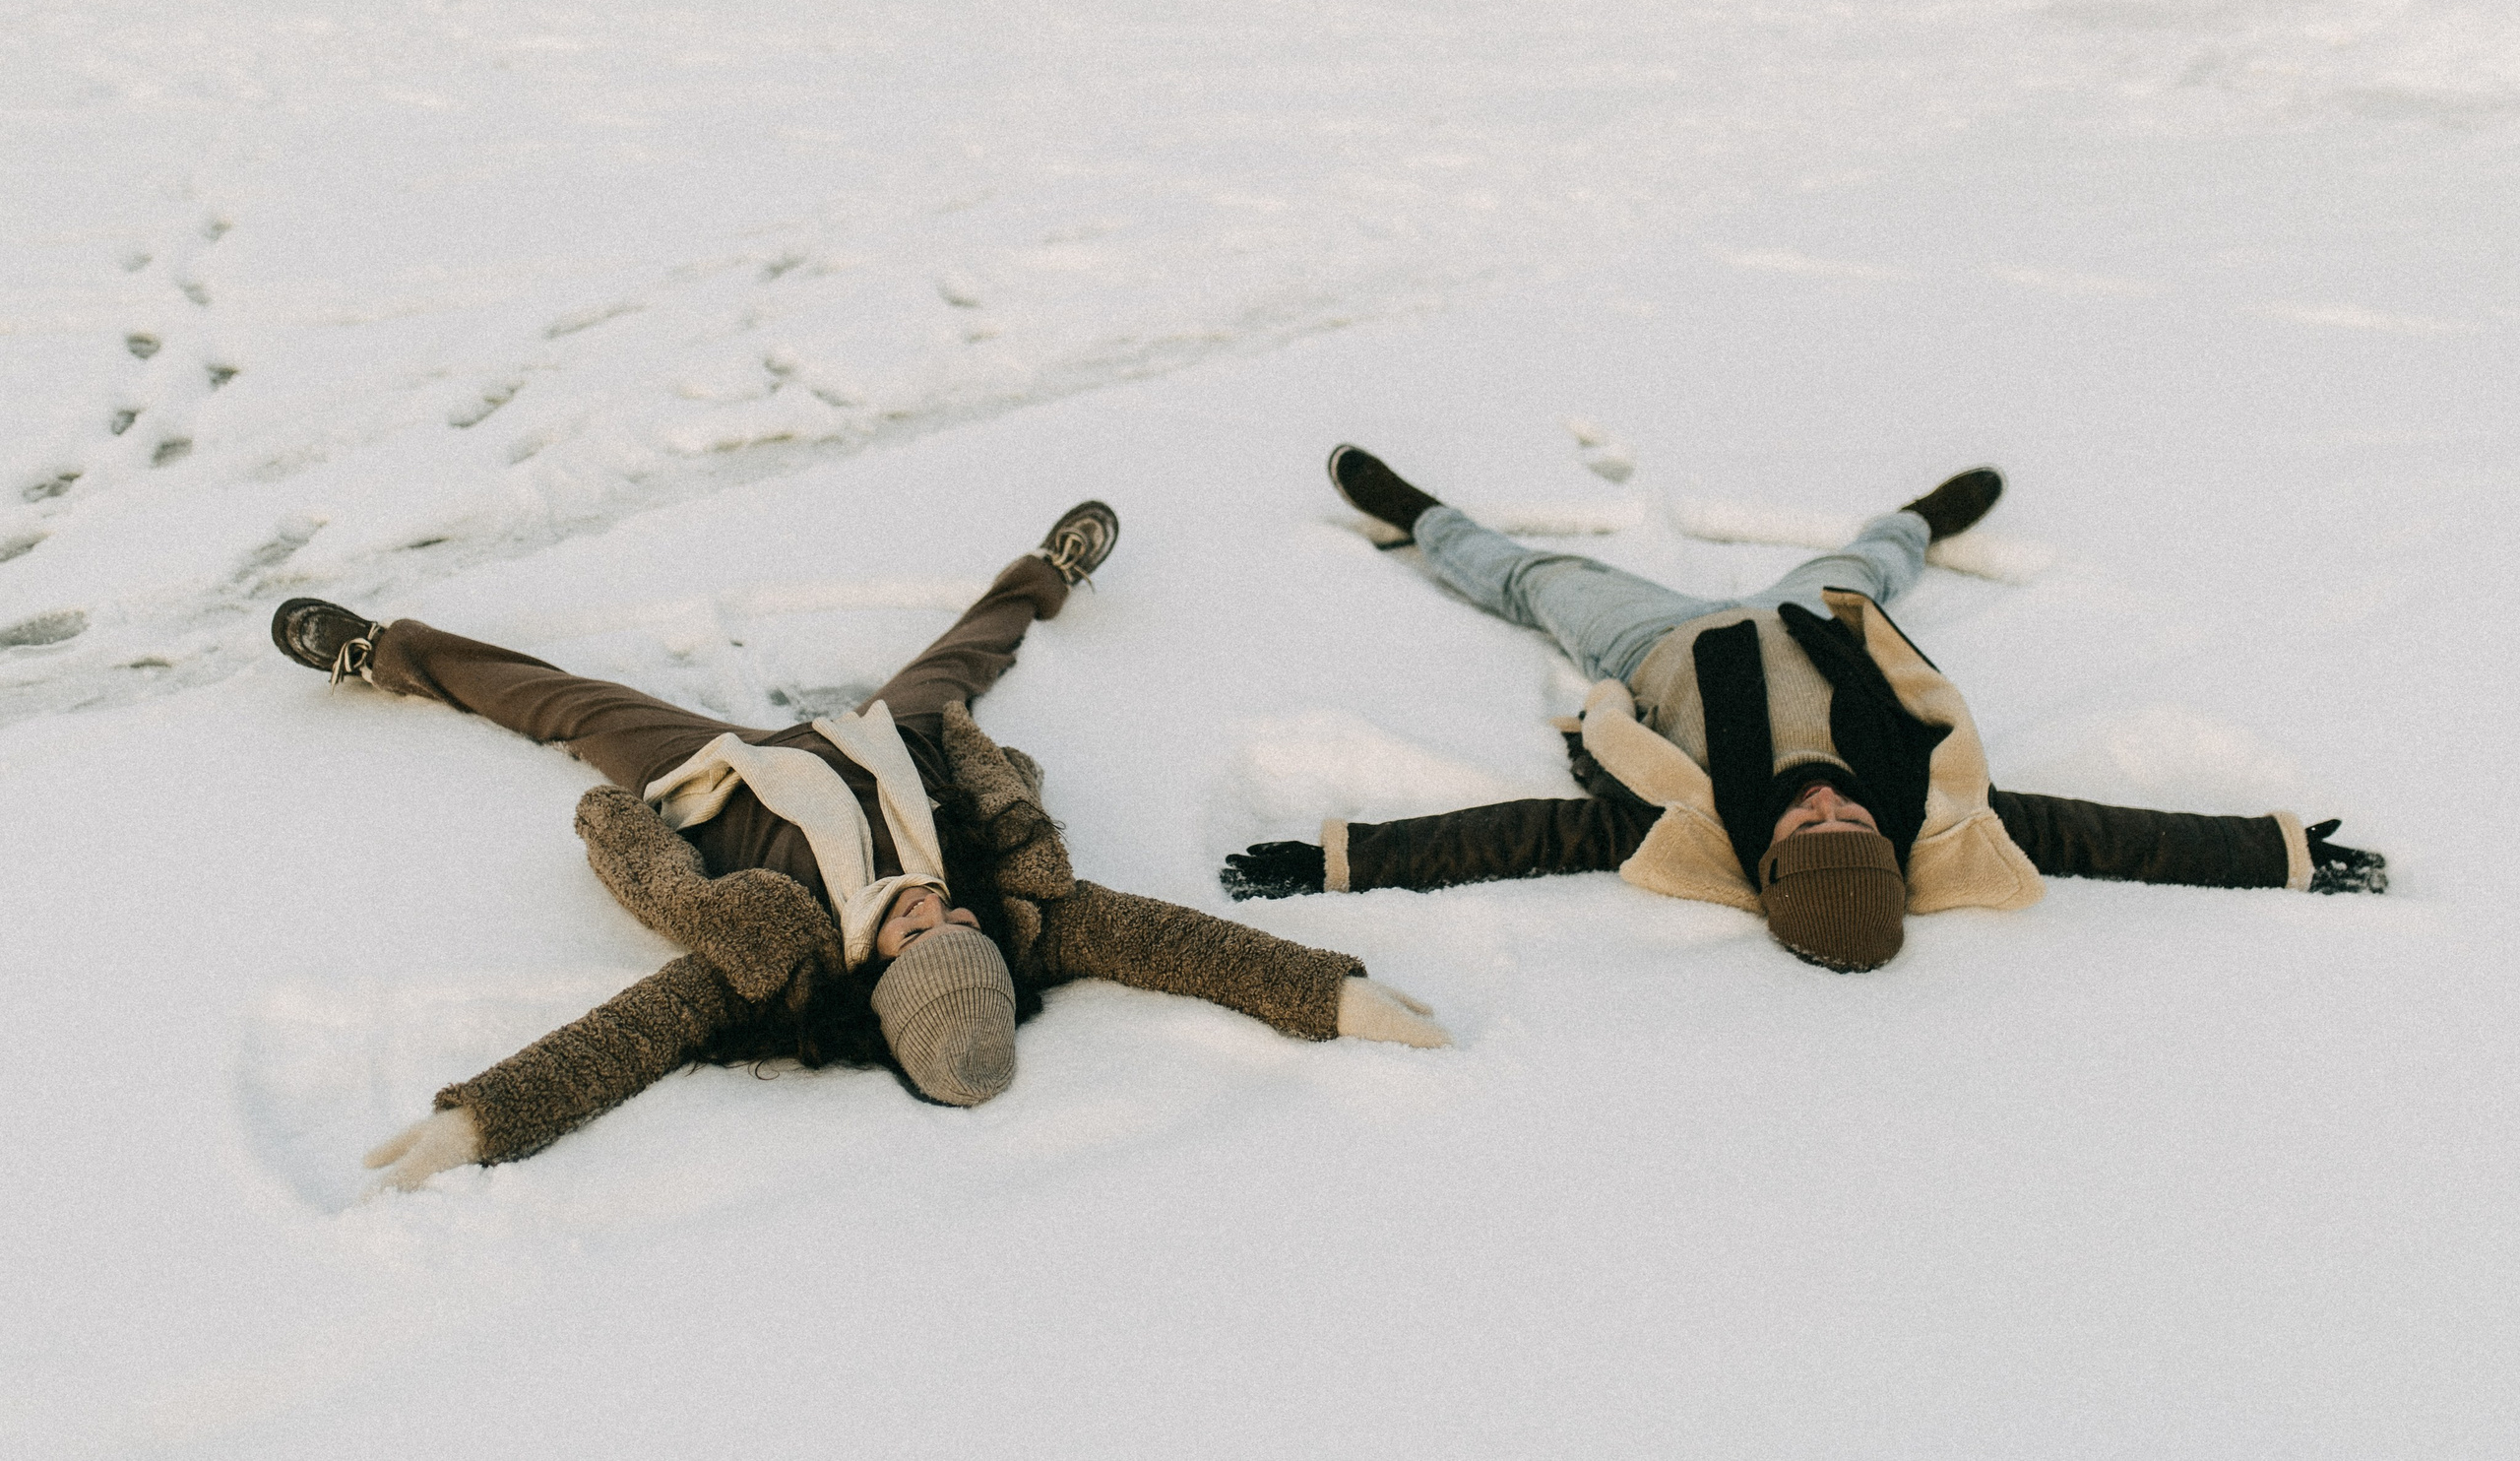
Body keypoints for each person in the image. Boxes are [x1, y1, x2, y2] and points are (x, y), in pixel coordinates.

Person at [278, 502, 1449, 1193]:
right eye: (961, 927)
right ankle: (1047, 573)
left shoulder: (771, 959)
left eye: (921, 935)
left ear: (885, 978)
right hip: (893, 741)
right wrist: (1342, 999)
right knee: (970, 656)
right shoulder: (1026, 918)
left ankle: (383, 650)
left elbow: (621, 1044)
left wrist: (472, 1123)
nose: (942, 910)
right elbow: (1180, 948)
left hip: (726, 764)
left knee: (568, 705)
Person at [1221, 450, 2387, 972]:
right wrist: (2272, 851)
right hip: (1809, 619)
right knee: (1867, 565)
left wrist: (1337, 861)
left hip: (1656, 646)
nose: (1827, 805)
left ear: (1767, 862)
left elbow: (1509, 839)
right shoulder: (1933, 811)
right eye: (1852, 828)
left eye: (1808, 833)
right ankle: (1921, 519)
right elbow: (2103, 835)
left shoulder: (1686, 829)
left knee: (1533, 582)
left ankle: (1421, 516)